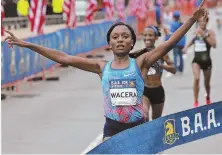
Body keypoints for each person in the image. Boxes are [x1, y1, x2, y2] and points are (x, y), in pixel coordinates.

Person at [4, 0, 207, 141]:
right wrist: (28, 45)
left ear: (131, 43)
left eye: (125, 36)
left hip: (137, 127)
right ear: (109, 44)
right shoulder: (101, 67)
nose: (120, 40)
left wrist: (191, 20)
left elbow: (169, 43)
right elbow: (63, 57)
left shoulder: (141, 63)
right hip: (112, 129)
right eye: (115, 37)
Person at [129, 25, 176, 121]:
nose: (147, 38)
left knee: (156, 120)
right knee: (144, 115)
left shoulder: (161, 53)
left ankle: (154, 135)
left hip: (158, 90)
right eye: (145, 35)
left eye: (150, 35)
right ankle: (146, 135)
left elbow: (174, 69)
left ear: (156, 37)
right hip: (144, 90)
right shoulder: (138, 53)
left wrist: (161, 65)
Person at [183, 16, 216, 108]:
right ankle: (196, 101)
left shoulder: (210, 32)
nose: (202, 23)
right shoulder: (196, 32)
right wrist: (186, 47)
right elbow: (193, 40)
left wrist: (204, 35)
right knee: (197, 79)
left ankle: (208, 97)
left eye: (204, 21)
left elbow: (214, 45)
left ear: (207, 22)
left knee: (206, 83)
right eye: (200, 21)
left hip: (207, 61)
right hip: (196, 60)